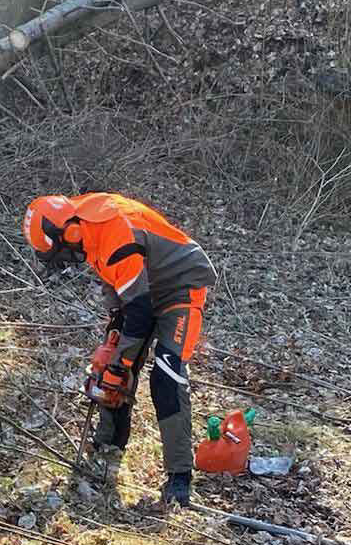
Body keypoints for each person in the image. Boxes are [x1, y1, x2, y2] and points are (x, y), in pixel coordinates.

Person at [25, 192, 216, 507]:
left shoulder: (112, 231)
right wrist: (113, 345)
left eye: (62, 250)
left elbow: (139, 313)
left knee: (166, 375)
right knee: (114, 363)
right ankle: (108, 447)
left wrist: (119, 365)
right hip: (144, 289)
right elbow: (119, 293)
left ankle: (180, 476)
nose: (68, 257)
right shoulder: (88, 229)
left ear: (68, 231)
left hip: (180, 287)